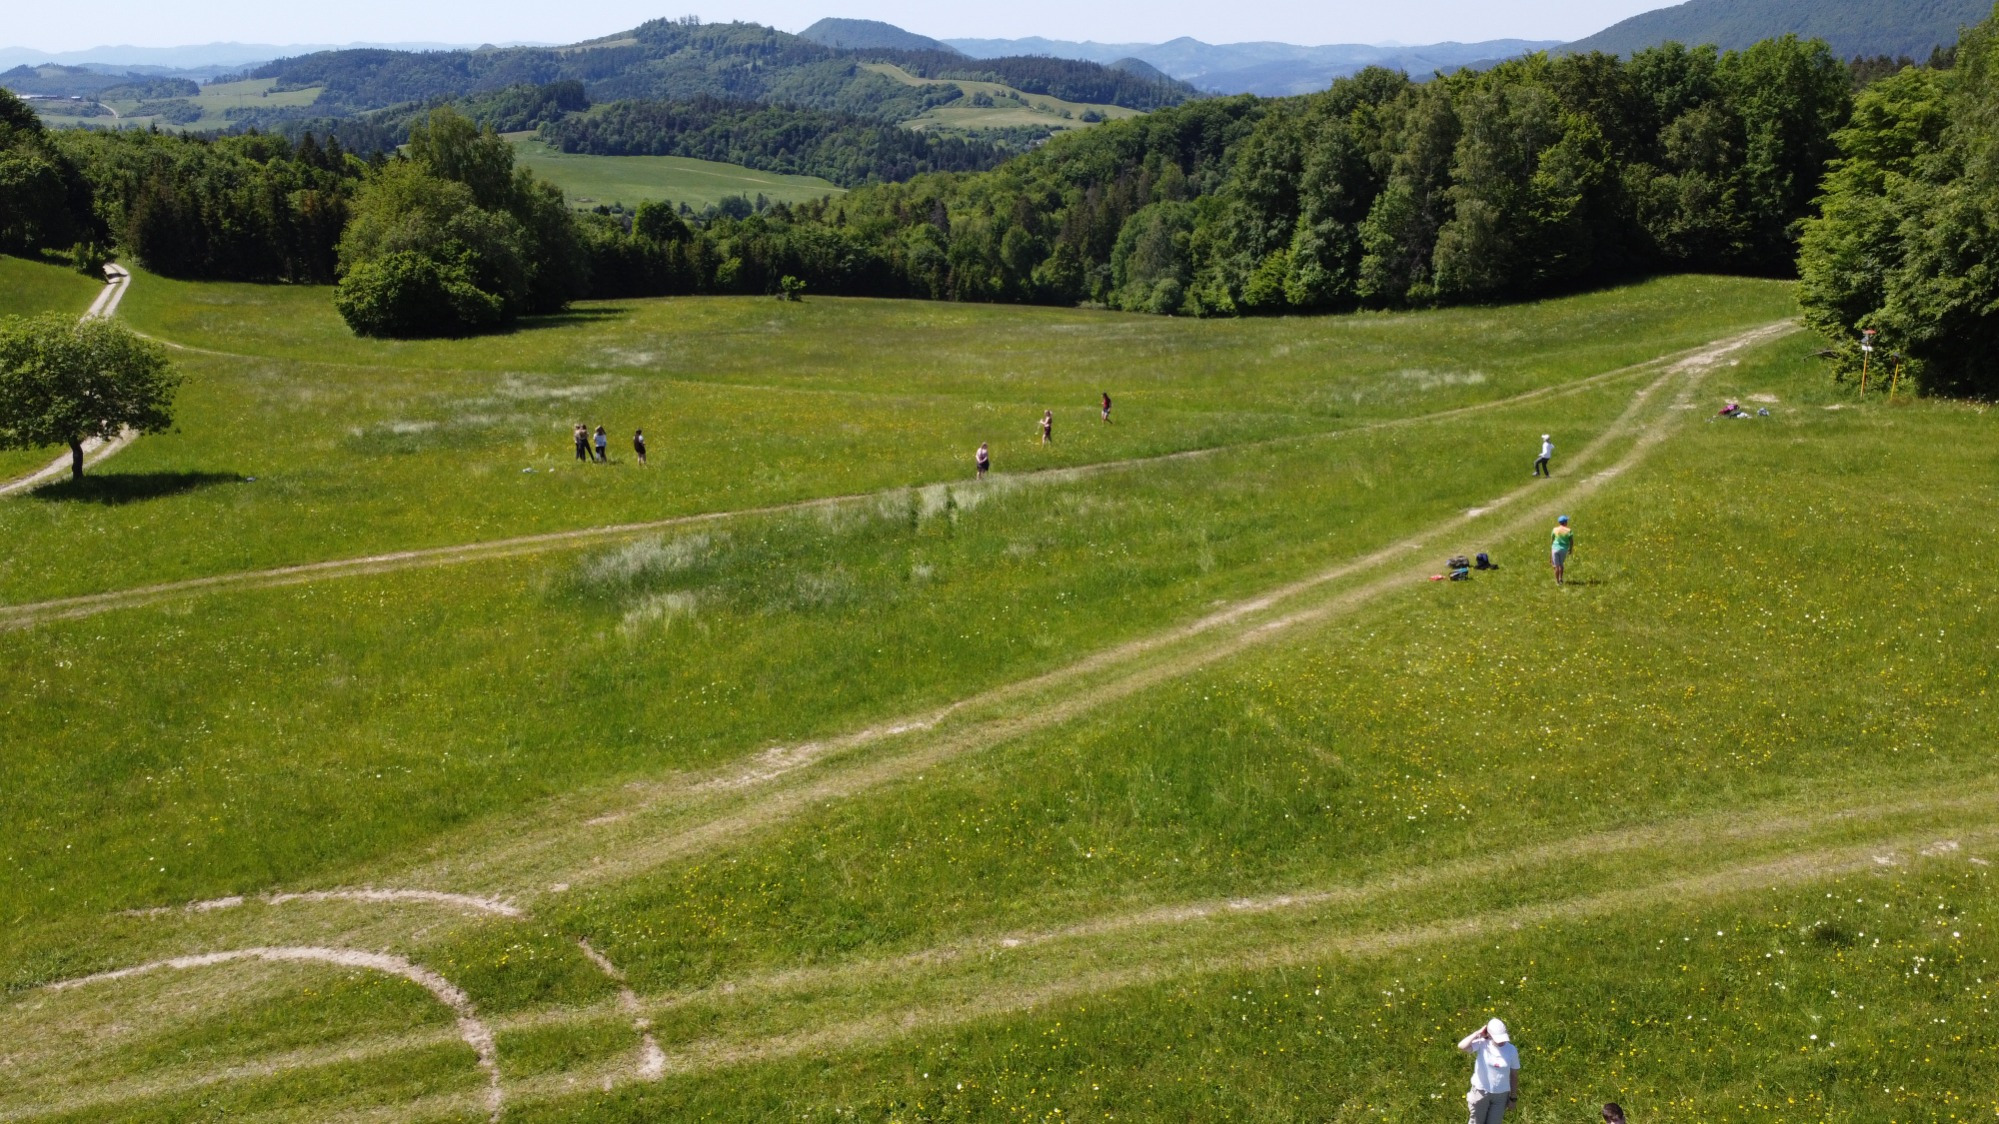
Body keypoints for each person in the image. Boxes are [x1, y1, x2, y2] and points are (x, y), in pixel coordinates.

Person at [1457, 1018, 1521, 1124]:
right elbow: (1462, 1046)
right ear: (1489, 1034)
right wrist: (1478, 1033)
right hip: (1481, 1092)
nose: (1501, 1042)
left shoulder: (1511, 1050)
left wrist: (1513, 1098)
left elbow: (1514, 1075)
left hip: (1501, 1095)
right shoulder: (1482, 1044)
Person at [1551, 515, 1575, 586]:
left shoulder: (1554, 529)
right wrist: (1570, 549)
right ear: (1565, 522)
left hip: (1555, 548)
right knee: (1561, 565)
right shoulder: (1568, 530)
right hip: (1563, 549)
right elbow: (1571, 541)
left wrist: (1552, 548)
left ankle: (1557, 582)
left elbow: (1552, 539)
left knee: (1556, 566)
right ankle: (1561, 579)